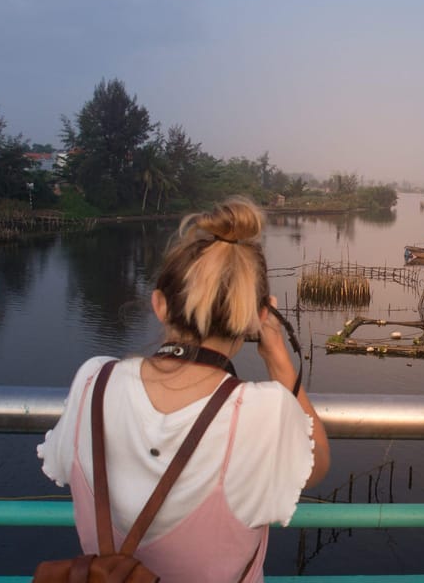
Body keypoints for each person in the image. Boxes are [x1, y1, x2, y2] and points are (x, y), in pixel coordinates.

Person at [37, 196, 331, 582]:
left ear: (159, 304)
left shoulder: (94, 381)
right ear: (260, 317)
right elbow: (318, 465)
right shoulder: (263, 411)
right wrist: (279, 361)